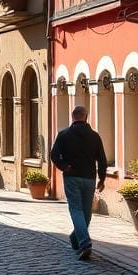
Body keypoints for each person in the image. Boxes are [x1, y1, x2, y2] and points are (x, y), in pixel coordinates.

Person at [50, 105, 108, 261]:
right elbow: (102, 159)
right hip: (89, 177)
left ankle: (80, 241)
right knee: (86, 211)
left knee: (76, 210)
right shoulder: (94, 136)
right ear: (86, 117)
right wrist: (102, 179)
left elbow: (54, 155)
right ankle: (81, 241)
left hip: (72, 176)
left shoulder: (63, 135)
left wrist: (64, 166)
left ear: (72, 117)